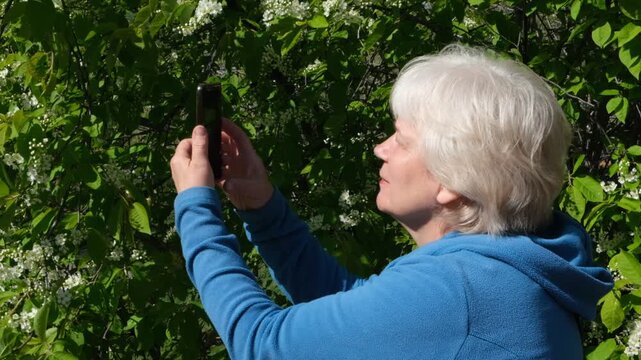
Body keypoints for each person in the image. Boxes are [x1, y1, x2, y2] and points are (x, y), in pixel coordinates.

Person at [170, 44, 613, 359]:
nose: (381, 149)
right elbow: (362, 307)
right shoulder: (506, 272)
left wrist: (195, 205)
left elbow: (260, 342)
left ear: (452, 181)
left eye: (401, 139)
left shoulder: (460, 295)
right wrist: (263, 208)